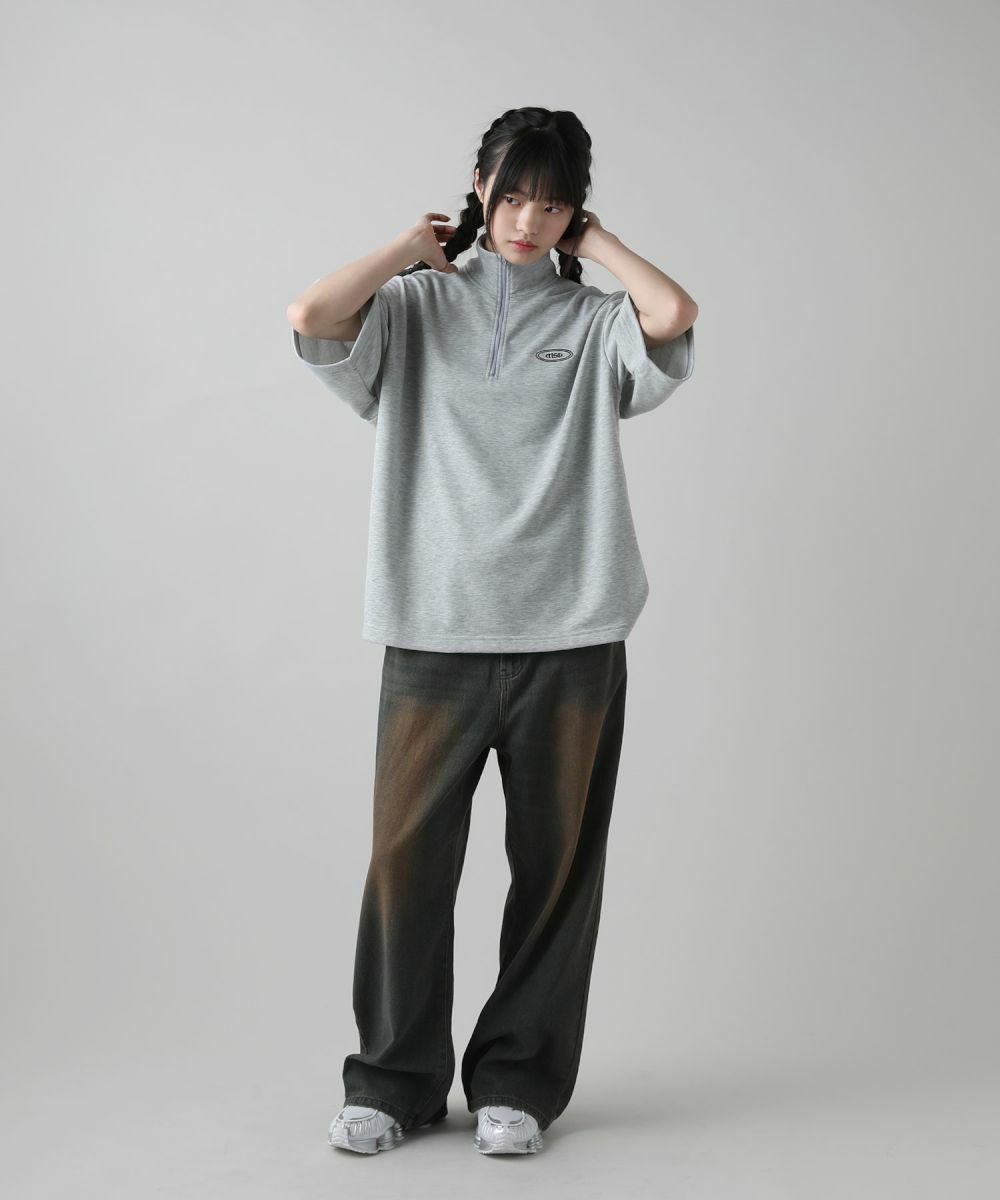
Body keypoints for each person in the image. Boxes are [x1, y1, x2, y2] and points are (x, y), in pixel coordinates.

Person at [286, 106, 697, 1157]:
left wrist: (597, 244)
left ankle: (518, 1081)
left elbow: (672, 313)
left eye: (551, 204)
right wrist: (407, 246)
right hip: (433, 632)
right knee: (405, 867)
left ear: (572, 212)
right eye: (512, 195)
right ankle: (395, 1082)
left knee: (555, 871)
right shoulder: (413, 307)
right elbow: (311, 314)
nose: (526, 220)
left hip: (573, 634)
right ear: (479, 188)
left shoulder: (593, 321)